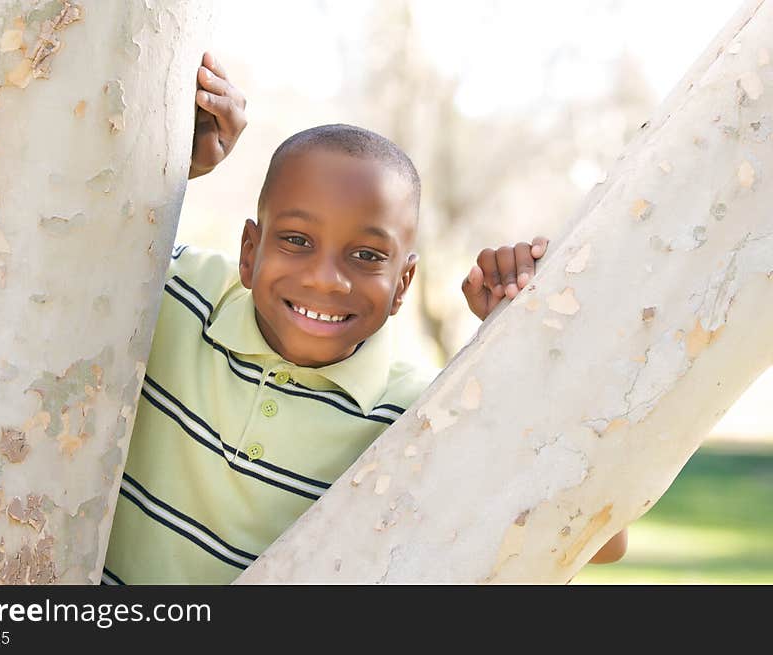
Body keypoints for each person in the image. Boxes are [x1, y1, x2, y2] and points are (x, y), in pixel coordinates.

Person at [102, 53, 627, 585]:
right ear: (248, 251)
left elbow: (601, 539)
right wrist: (174, 162)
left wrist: (526, 347)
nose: (327, 280)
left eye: (369, 256)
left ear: (403, 284)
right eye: (297, 241)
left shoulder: (413, 414)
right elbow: (66, 245)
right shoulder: (171, 287)